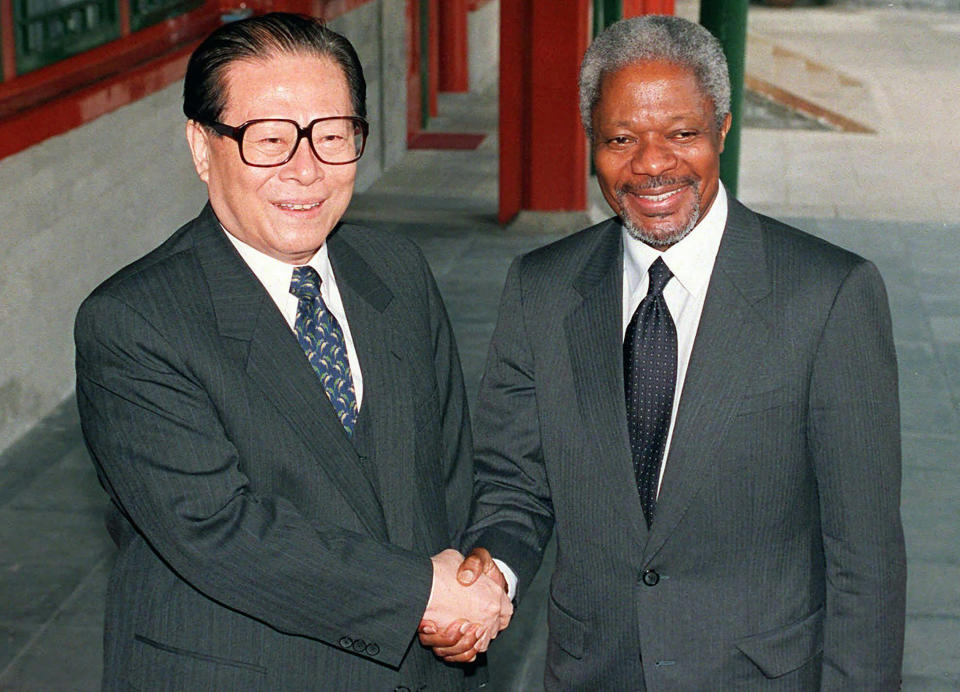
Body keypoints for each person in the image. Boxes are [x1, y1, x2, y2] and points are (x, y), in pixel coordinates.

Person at [421, 15, 906, 690]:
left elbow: (867, 555)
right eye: (621, 138)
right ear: (591, 140)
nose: (651, 164)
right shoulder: (541, 290)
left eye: (682, 133)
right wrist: (488, 575)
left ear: (723, 130)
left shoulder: (828, 296)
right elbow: (514, 484)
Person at [74, 13, 510, 691]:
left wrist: (467, 600)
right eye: (269, 140)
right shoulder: (135, 322)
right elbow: (220, 532)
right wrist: (421, 594)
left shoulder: (395, 270)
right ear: (200, 146)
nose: (306, 170)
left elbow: (449, 473)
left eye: (333, 137)